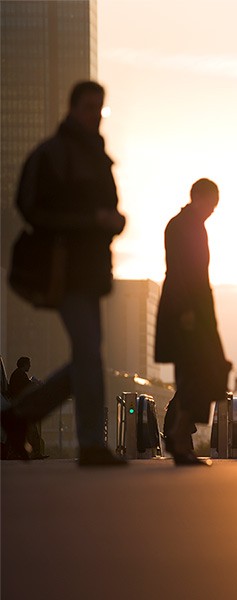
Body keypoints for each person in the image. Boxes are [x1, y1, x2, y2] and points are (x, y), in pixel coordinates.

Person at [1, 81, 126, 466]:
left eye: (99, 108)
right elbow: (29, 206)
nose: (94, 113)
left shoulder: (97, 156)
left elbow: (109, 209)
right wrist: (88, 221)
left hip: (90, 271)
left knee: (86, 359)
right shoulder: (52, 154)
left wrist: (113, 221)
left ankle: (17, 416)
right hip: (63, 269)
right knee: (88, 354)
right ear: (72, 108)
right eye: (89, 106)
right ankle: (90, 444)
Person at [155, 178, 230, 466]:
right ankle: (177, 435)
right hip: (187, 309)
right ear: (199, 197)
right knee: (199, 370)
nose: (212, 211)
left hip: (195, 308)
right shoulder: (183, 226)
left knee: (200, 371)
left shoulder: (192, 225)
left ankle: (178, 434)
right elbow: (181, 270)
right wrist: (188, 310)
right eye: (211, 204)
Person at [7, 357, 47, 459]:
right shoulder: (20, 375)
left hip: (18, 408)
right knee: (32, 432)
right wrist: (37, 383)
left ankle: (15, 453)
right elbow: (27, 387)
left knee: (23, 432)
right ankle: (35, 453)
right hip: (22, 409)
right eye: (29, 363)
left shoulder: (17, 374)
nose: (30, 366)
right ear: (24, 364)